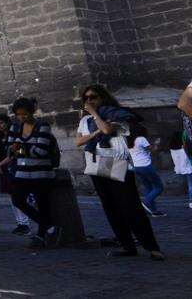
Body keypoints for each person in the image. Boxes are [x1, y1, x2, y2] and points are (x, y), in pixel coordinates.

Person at [76, 83, 163, 260]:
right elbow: (79, 141)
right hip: (97, 163)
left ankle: (152, 247)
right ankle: (127, 246)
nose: (89, 101)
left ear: (103, 98)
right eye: (86, 98)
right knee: (111, 208)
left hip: (117, 163)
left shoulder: (116, 114)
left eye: (93, 97)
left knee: (132, 207)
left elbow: (108, 129)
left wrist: (95, 114)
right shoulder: (84, 121)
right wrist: (94, 133)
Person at [6, 97, 60, 248]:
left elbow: (41, 151)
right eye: (18, 114)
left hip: (41, 173)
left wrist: (19, 148)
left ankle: (41, 237)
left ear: (31, 112)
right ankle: (49, 225)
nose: (22, 117)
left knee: (43, 204)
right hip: (22, 172)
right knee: (18, 200)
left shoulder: (43, 126)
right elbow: (9, 151)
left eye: (24, 114)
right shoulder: (15, 128)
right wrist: (22, 149)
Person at [0, 113, 32, 234]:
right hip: (5, 168)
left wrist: (0, 164)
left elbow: (18, 153)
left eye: (1, 123)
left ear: (7, 122)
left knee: (20, 196)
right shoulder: (0, 137)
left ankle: (25, 223)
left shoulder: (16, 133)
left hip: (16, 167)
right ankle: (20, 222)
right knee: (11, 196)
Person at [128, 130, 166, 217]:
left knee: (148, 188)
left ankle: (153, 211)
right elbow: (153, 151)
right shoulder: (141, 139)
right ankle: (145, 202)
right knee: (159, 187)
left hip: (136, 167)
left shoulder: (129, 140)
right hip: (145, 166)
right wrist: (156, 143)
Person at [166, 131, 192, 209]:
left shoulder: (173, 149)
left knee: (191, 184)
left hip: (183, 167)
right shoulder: (184, 148)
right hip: (190, 167)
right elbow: (189, 156)